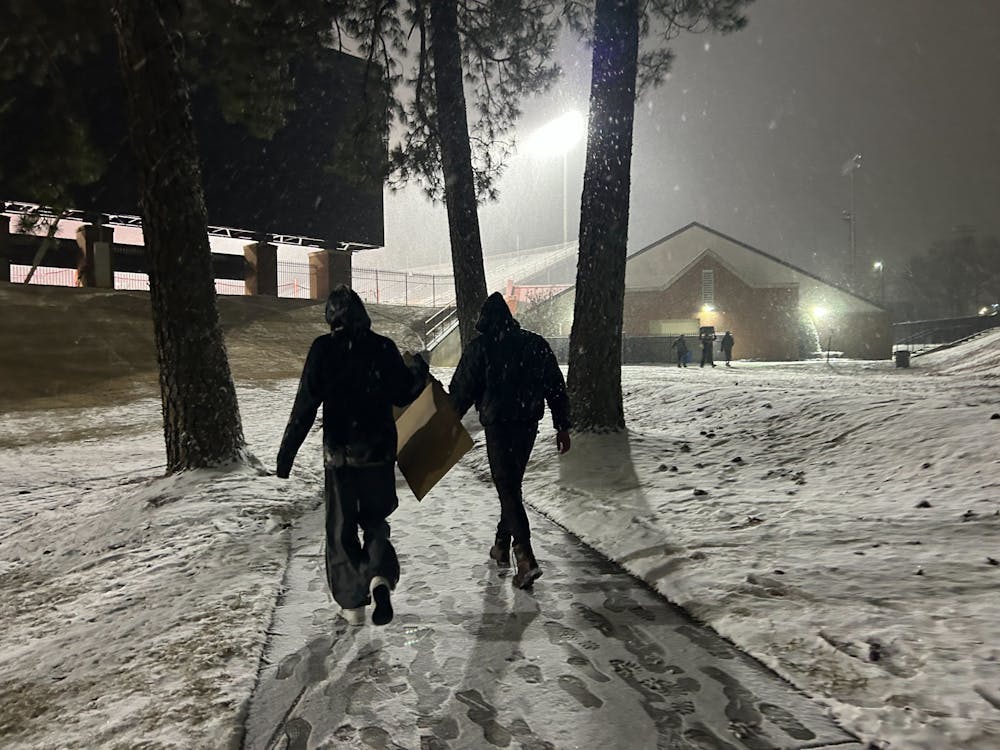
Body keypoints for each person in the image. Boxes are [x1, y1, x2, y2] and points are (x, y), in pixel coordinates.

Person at [276, 285, 428, 627]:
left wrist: (286, 456)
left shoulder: (323, 350)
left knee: (341, 530)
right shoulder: (384, 348)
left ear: (332, 318)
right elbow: (404, 393)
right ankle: (379, 577)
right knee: (375, 523)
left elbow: (305, 406)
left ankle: (353, 603)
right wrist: (417, 368)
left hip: (341, 458)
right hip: (379, 455)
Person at [449, 292, 571, 589]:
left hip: (499, 424)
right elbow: (555, 385)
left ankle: (525, 557)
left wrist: (447, 423)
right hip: (527, 423)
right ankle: (501, 545)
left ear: (485, 321)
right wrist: (562, 425)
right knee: (511, 485)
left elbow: (461, 391)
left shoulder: (481, 348)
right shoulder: (535, 344)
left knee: (507, 486)